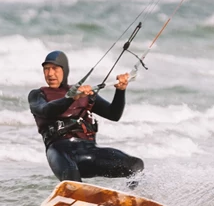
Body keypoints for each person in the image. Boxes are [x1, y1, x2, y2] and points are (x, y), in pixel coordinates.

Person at [28, 50, 143, 183]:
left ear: (64, 70)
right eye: (46, 69)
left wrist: (120, 91)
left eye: (55, 68)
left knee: (135, 166)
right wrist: (71, 98)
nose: (50, 74)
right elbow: (46, 110)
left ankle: (134, 199)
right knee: (72, 180)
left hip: (89, 151)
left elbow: (114, 114)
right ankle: (77, 199)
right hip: (60, 151)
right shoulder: (37, 95)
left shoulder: (85, 95)